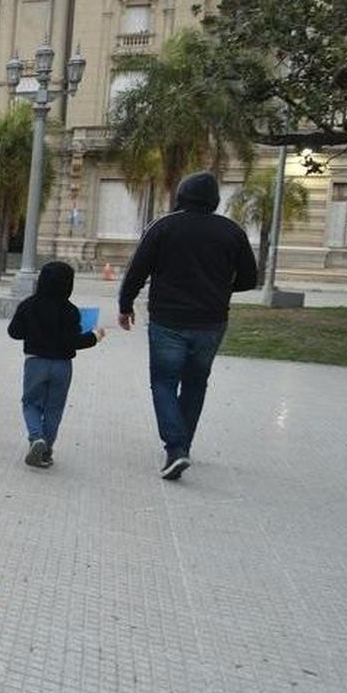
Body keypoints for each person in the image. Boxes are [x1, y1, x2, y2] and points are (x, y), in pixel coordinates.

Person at [118, 171, 258, 481]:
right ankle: (183, 446)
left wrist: (125, 305)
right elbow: (250, 278)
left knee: (164, 382)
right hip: (212, 321)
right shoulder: (232, 232)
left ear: (181, 195)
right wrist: (219, 288)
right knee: (196, 382)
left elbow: (137, 270)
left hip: (168, 319)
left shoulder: (163, 227)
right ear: (214, 199)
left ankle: (176, 448)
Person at [7, 260, 104, 468]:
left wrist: (30, 329)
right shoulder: (71, 311)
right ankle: (46, 452)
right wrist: (94, 336)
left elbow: (14, 332)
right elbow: (73, 341)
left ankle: (36, 437)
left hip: (35, 362)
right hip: (62, 366)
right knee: (54, 409)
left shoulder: (28, 305)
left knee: (31, 403)